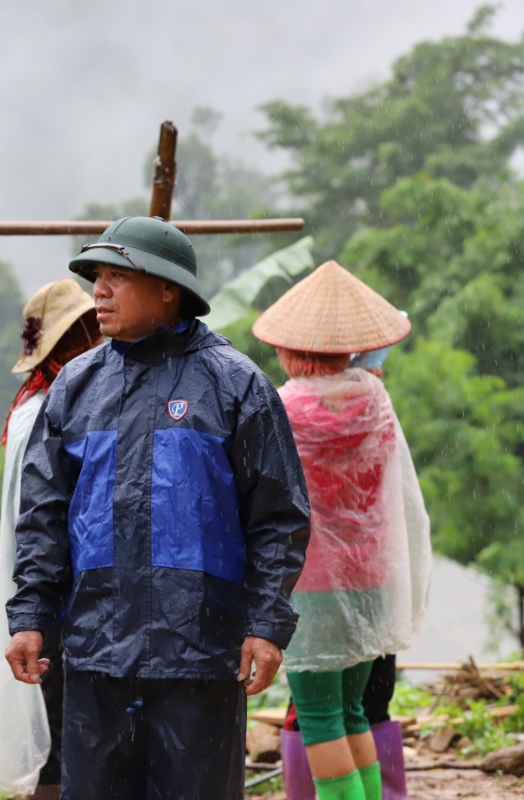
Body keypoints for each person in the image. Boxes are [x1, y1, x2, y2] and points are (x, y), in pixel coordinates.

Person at [4, 216, 311, 800]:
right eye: (97, 276)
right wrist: (30, 615)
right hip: (95, 656)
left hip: (200, 654)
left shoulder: (236, 385)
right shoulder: (76, 386)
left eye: (117, 276)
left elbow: (279, 517)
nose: (99, 291)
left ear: (168, 289)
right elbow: (43, 515)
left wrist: (266, 627)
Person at [252, 261, 431, 800]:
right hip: (372, 577)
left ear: (293, 348)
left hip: (311, 585)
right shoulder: (374, 398)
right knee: (354, 709)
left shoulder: (286, 407)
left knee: (320, 715)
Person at [0, 279, 101, 799]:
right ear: (81, 338)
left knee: (58, 725)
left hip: (45, 588)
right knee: (57, 728)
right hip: (57, 592)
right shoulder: (54, 409)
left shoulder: (34, 403)